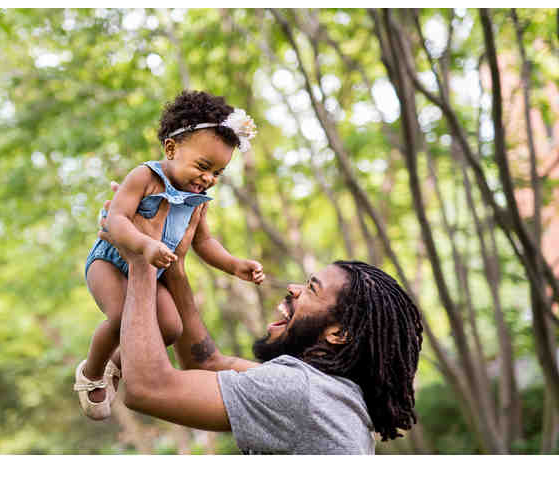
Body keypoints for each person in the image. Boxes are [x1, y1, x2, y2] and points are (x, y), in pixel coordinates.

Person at [100, 192, 424, 454]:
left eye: (312, 289)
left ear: (338, 333)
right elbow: (207, 362)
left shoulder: (302, 394)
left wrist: (141, 261)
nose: (294, 288)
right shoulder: (326, 393)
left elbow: (146, 389)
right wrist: (176, 266)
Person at [75, 90, 265, 420]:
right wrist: (145, 245)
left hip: (155, 270)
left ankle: (117, 365)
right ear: (172, 148)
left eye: (218, 173)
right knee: (122, 316)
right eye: (204, 166)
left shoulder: (197, 198)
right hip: (110, 261)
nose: (208, 179)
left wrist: (235, 265)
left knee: (170, 327)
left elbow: (204, 244)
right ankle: (92, 371)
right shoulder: (146, 177)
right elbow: (115, 220)